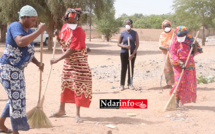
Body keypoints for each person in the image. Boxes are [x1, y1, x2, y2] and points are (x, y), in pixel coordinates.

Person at [0, 5, 46, 134]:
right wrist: (39, 31)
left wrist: (38, 63)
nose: (34, 23)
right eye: (32, 20)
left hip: (18, 71)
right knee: (16, 100)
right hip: (8, 69)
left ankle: (1, 124)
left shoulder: (29, 31)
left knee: (17, 99)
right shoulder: (15, 26)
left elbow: (27, 52)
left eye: (35, 20)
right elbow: (20, 42)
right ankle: (16, 131)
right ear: (24, 17)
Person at [50, 8, 92, 123]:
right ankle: (61, 110)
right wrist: (58, 36)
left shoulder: (79, 32)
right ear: (65, 20)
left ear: (77, 20)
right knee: (65, 84)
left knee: (77, 86)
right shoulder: (64, 28)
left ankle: (77, 114)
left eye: (74, 21)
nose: (72, 23)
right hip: (68, 63)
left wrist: (56, 60)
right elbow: (63, 43)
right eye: (70, 20)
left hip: (79, 65)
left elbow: (72, 50)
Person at [169, 26, 202, 108]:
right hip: (177, 65)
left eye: (182, 35)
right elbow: (172, 54)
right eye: (178, 35)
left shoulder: (191, 39)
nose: (180, 37)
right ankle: (176, 100)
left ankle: (182, 101)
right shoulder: (174, 41)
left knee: (187, 83)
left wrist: (193, 46)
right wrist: (179, 63)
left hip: (189, 64)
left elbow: (197, 50)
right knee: (178, 82)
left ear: (186, 33)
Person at [117, 19, 139, 91]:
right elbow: (118, 44)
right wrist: (125, 46)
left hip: (132, 53)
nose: (127, 25)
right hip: (123, 53)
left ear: (131, 25)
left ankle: (130, 84)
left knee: (131, 68)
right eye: (126, 24)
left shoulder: (135, 33)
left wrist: (132, 54)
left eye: (129, 24)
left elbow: (137, 45)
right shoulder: (122, 33)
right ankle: (122, 84)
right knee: (124, 68)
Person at [159, 20, 175, 89]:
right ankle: (169, 84)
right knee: (167, 69)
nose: (167, 27)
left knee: (175, 68)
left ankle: (177, 84)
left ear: (170, 26)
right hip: (165, 53)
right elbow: (160, 46)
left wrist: (172, 47)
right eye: (165, 26)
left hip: (174, 53)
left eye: (168, 26)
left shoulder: (174, 33)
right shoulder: (162, 34)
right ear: (163, 27)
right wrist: (166, 48)